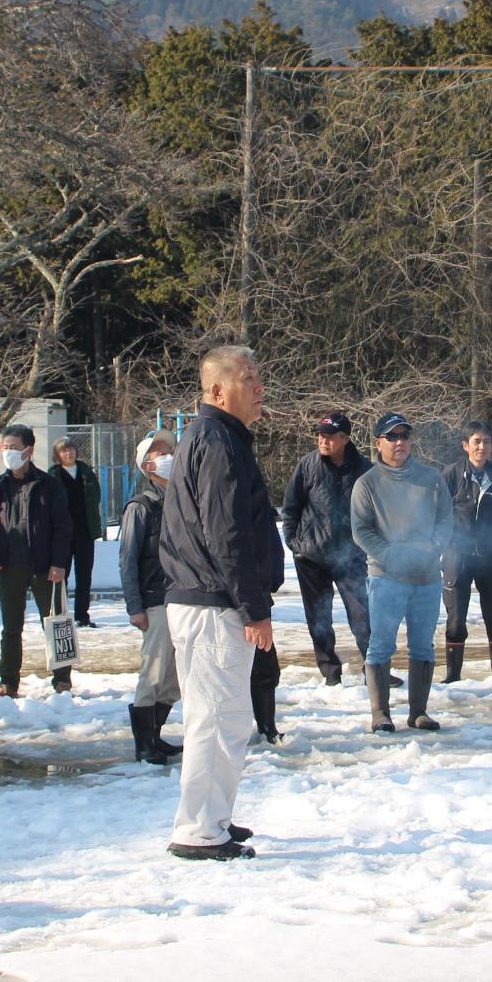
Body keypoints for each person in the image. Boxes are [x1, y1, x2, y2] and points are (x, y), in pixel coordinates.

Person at [159, 345, 279, 861]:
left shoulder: (219, 438)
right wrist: (253, 607)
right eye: (247, 378)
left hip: (212, 600)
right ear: (216, 389)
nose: (259, 387)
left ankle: (215, 818)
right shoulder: (216, 441)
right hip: (213, 604)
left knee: (226, 717)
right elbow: (224, 533)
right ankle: (199, 831)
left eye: (258, 376)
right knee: (214, 718)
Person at [348, 413, 452, 733]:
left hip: (426, 578)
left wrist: (433, 548)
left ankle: (418, 711)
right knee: (380, 645)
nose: (399, 442)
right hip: (386, 577)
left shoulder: (431, 478)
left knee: (423, 646)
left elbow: (446, 521)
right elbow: (361, 530)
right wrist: (390, 554)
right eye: (391, 437)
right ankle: (380, 713)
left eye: (404, 436)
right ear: (378, 443)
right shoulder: (367, 483)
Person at [0, 424, 74, 696]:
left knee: (56, 623)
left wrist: (59, 563)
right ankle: (8, 681)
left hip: (47, 568)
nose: (8, 453)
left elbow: (63, 528)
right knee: (10, 628)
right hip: (10, 567)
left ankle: (62, 678)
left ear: (29, 451)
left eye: (13, 448)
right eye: (4, 448)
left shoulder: (48, 485)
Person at [279, 412, 374, 687]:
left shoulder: (364, 468)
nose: (323, 440)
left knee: (363, 616)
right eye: (320, 435)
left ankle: (374, 669)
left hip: (351, 557)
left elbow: (372, 512)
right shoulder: (307, 465)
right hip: (312, 558)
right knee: (319, 619)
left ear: (345, 439)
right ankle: (331, 674)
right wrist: (295, 544)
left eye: (330, 436)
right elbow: (291, 507)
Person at [119, 429, 182, 764]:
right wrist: (135, 606)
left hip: (181, 597)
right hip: (154, 598)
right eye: (160, 452)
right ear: (147, 464)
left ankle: (155, 736)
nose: (168, 456)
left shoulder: (181, 499)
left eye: (169, 450)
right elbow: (127, 557)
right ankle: (143, 743)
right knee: (154, 672)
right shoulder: (140, 507)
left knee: (173, 677)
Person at [440, 419, 492, 684]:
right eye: (477, 441)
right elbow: (438, 514)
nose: (482, 446)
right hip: (456, 557)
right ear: (465, 445)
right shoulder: (451, 475)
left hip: (487, 557)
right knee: (456, 618)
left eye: (487, 441)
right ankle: (452, 676)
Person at [52, 437, 105, 627]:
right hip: (63, 534)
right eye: (64, 451)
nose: (68, 453)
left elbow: (96, 496)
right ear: (57, 455)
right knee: (61, 576)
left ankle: (83, 616)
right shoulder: (53, 475)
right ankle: (61, 615)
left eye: (71, 449)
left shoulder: (86, 471)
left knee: (84, 575)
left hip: (85, 531)